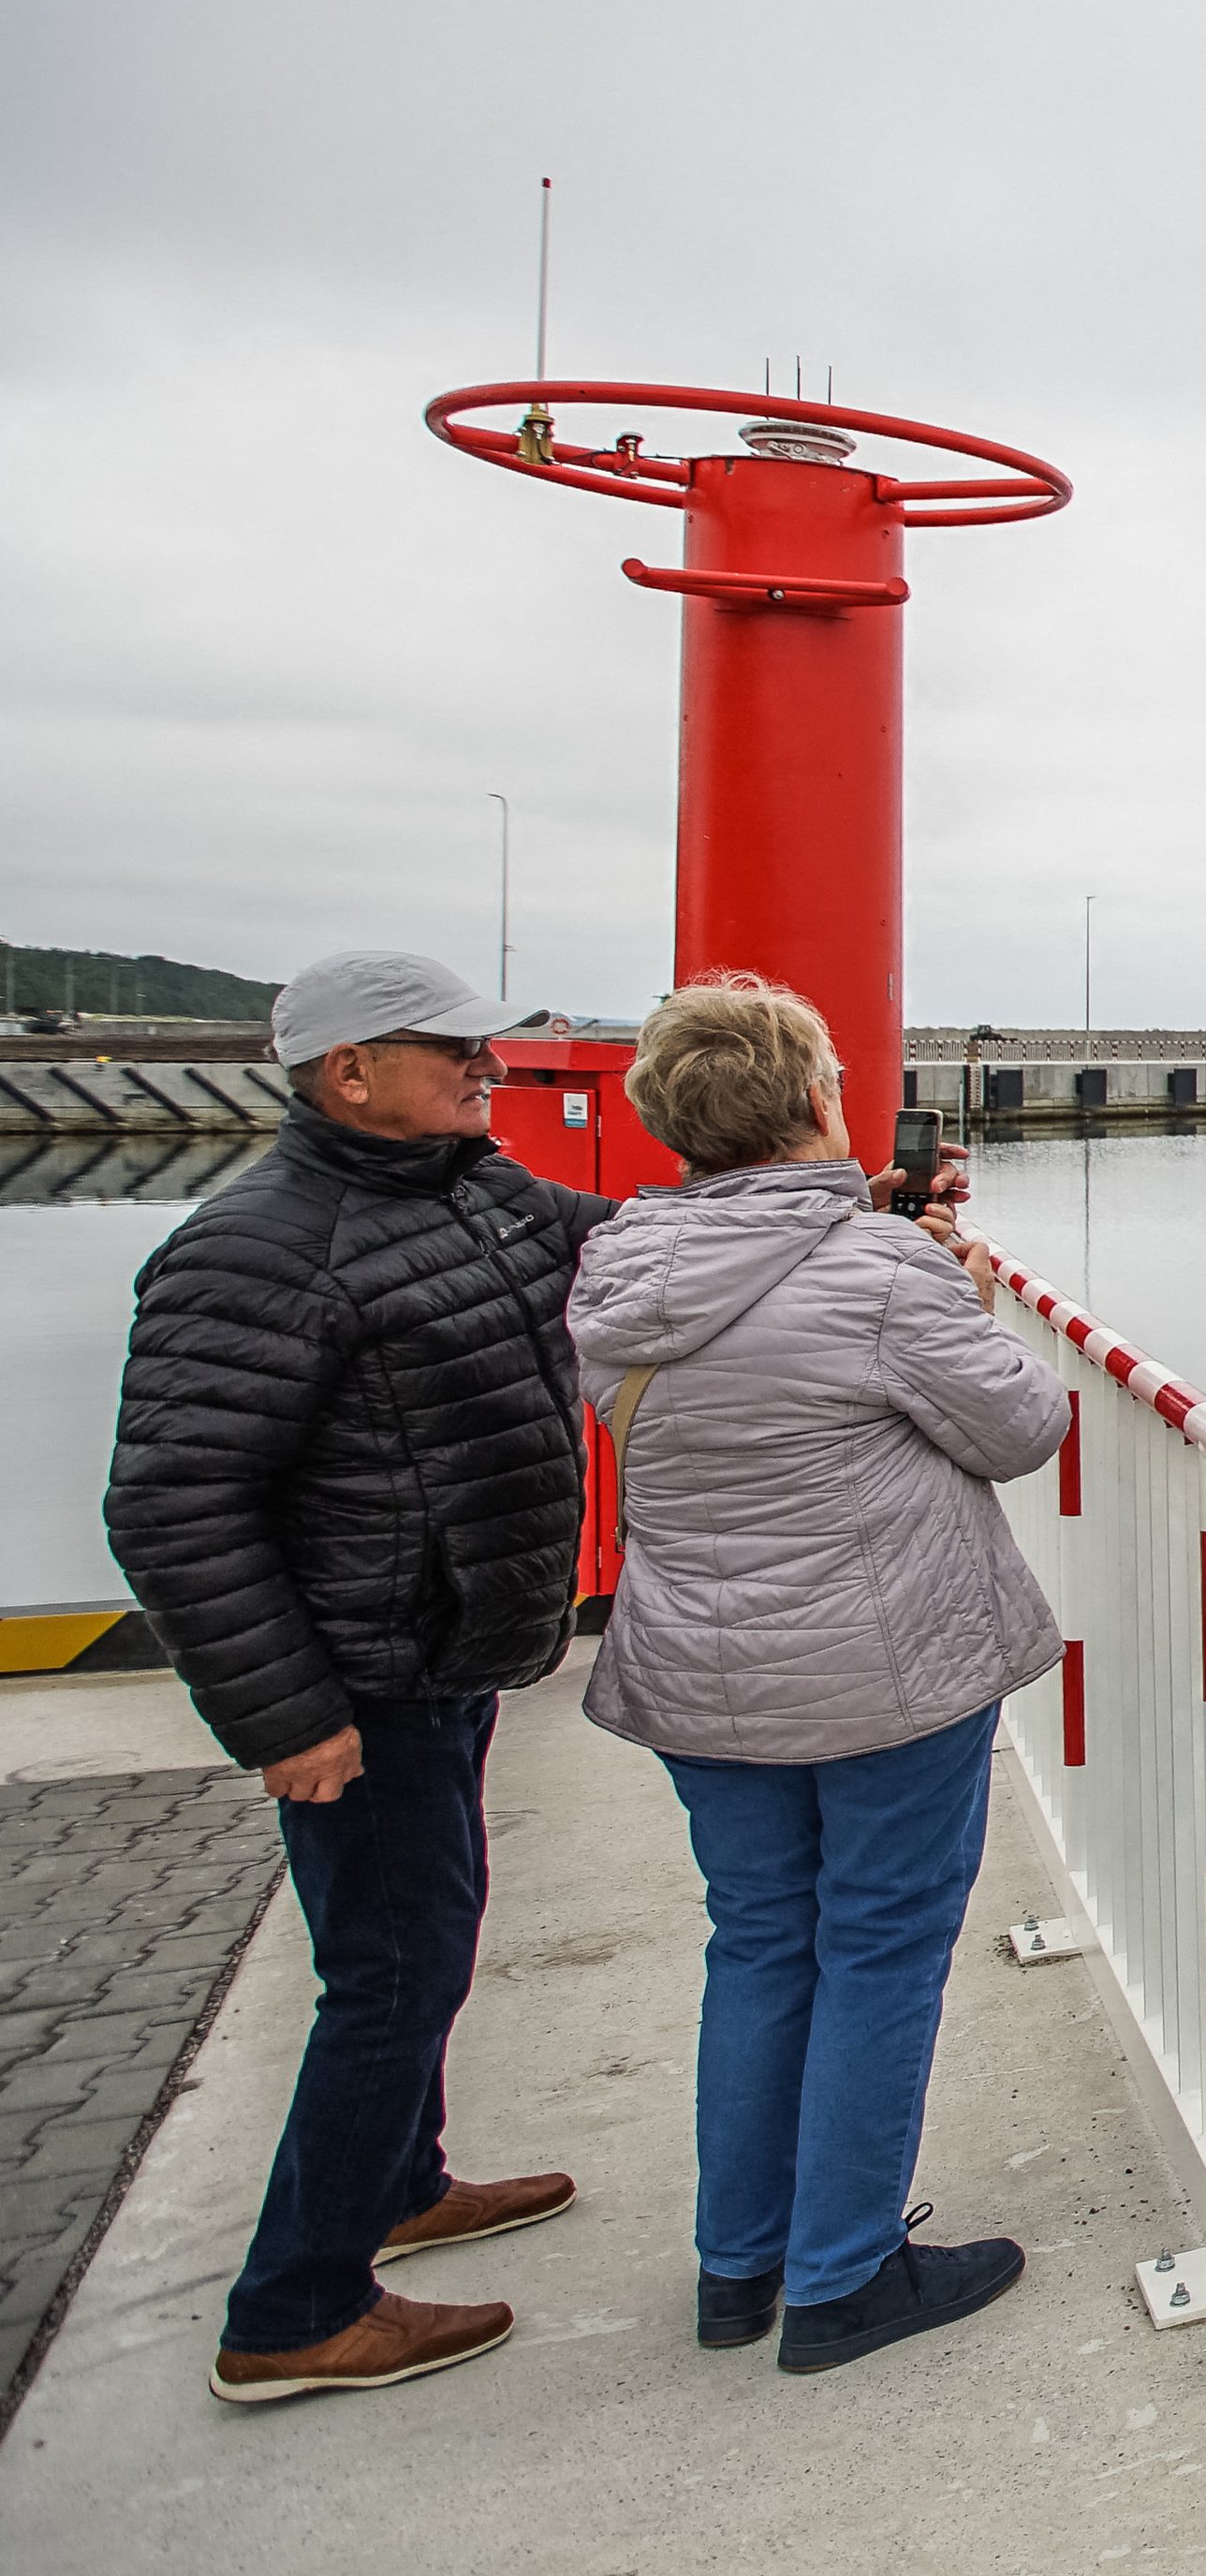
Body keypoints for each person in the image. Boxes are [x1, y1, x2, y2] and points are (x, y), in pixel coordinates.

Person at [106, 949, 597, 2402]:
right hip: (362, 1677)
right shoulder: (256, 1246)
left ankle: (399, 2182)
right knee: (394, 1970)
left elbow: (631, 1243)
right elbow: (173, 1500)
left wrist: (857, 1212)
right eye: (453, 1052)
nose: (485, 1071)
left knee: (407, 1946)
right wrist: (287, 1714)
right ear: (346, 1073)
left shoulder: (469, 1190)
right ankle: (295, 2309)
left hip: (442, 1647)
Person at [566, 978, 1066, 2373]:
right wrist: (959, 1294)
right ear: (817, 1107)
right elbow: (1023, 1426)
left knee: (760, 1943)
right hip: (881, 1675)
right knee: (881, 1952)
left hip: (698, 1673)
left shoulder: (616, 1273)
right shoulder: (882, 1272)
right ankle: (845, 2277)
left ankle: (740, 2266)